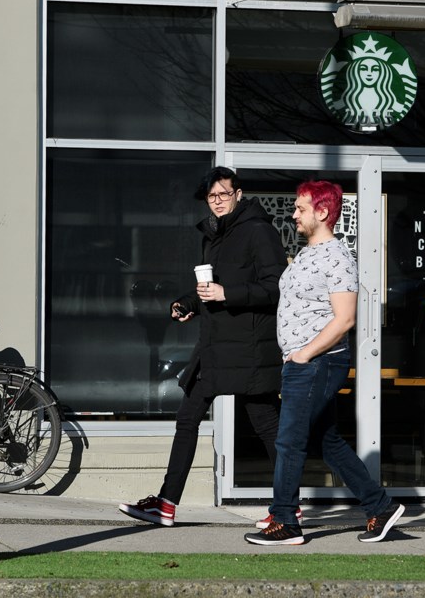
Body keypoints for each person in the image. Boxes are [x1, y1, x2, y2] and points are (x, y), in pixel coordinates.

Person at [119, 166, 298, 528]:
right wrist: (187, 303)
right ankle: (166, 504)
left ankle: (288, 507)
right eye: (211, 196)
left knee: (265, 423)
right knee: (187, 418)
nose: (216, 202)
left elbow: (277, 287)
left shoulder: (260, 231)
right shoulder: (213, 234)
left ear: (239, 194)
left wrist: (226, 294)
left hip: (248, 346)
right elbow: (211, 286)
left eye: (223, 194)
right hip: (215, 346)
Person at [245, 180, 404, 546]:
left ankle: (286, 521)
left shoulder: (337, 257)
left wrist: (304, 353)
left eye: (300, 209)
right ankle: (379, 507)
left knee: (289, 441)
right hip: (304, 361)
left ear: (322, 212)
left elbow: (345, 319)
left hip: (317, 362)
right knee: (327, 441)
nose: (294, 214)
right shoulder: (306, 254)